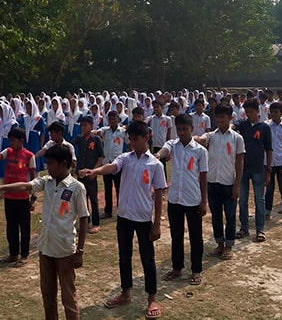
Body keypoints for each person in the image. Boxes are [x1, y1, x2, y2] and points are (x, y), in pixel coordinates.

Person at [0, 144, 88, 320]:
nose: (47, 167)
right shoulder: (47, 181)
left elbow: (83, 218)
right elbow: (26, 186)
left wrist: (80, 251)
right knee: (48, 294)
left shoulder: (76, 188)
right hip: (46, 248)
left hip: (65, 250)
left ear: (64, 163)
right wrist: (1, 188)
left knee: (68, 296)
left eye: (50, 163)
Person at [80, 120, 165, 320]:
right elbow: (111, 167)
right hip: (124, 217)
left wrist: (157, 224)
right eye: (131, 139)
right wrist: (95, 171)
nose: (132, 143)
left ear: (147, 138)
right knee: (124, 256)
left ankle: (152, 298)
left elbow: (159, 195)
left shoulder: (155, 165)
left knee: (148, 259)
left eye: (136, 139)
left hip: (144, 219)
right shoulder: (125, 158)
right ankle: (126, 292)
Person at [156, 114, 207, 285]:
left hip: (193, 199)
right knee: (176, 235)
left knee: (195, 236)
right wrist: (157, 156)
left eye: (185, 129)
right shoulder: (173, 145)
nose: (182, 132)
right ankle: (177, 268)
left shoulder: (200, 151)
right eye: (179, 129)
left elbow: (203, 177)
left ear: (192, 129)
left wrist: (203, 201)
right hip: (175, 199)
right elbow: (164, 151)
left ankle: (196, 270)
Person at [196, 104, 244, 260]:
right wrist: (193, 137)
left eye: (223, 117)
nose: (219, 120)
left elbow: (239, 163)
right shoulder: (211, 136)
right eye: (217, 117)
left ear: (230, 118)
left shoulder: (237, 138)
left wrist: (237, 186)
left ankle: (229, 245)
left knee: (230, 215)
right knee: (216, 215)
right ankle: (220, 244)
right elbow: (202, 139)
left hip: (228, 182)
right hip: (212, 182)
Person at [0, 127, 36, 267]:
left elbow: (33, 180)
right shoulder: (8, 152)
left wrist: (33, 199)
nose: (11, 143)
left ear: (21, 140)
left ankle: (24, 255)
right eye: (10, 140)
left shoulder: (29, 156)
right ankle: (13, 254)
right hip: (9, 197)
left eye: (13, 141)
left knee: (24, 227)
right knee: (11, 227)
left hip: (23, 197)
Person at [233, 99, 272, 243]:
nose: (249, 114)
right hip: (243, 168)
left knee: (259, 199)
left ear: (257, 111)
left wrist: (268, 169)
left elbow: (269, 149)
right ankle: (244, 227)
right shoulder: (242, 125)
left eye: (251, 112)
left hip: (258, 168)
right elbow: (233, 125)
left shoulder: (264, 128)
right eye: (247, 112)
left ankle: (260, 229)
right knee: (242, 199)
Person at [71, 116, 104, 233]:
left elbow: (101, 157)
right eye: (82, 125)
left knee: (93, 199)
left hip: (91, 173)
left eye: (85, 125)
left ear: (91, 126)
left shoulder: (96, 139)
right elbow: (69, 146)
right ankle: (85, 222)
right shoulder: (79, 139)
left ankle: (96, 223)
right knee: (82, 199)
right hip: (80, 173)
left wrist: (94, 171)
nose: (83, 128)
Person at [91, 111, 126, 219]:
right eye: (110, 119)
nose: (112, 121)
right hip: (107, 163)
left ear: (118, 120)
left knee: (119, 187)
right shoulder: (105, 131)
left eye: (114, 119)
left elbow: (129, 144)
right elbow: (97, 132)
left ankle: (121, 209)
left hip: (118, 163)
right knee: (107, 188)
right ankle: (108, 211)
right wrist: (90, 131)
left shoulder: (123, 132)